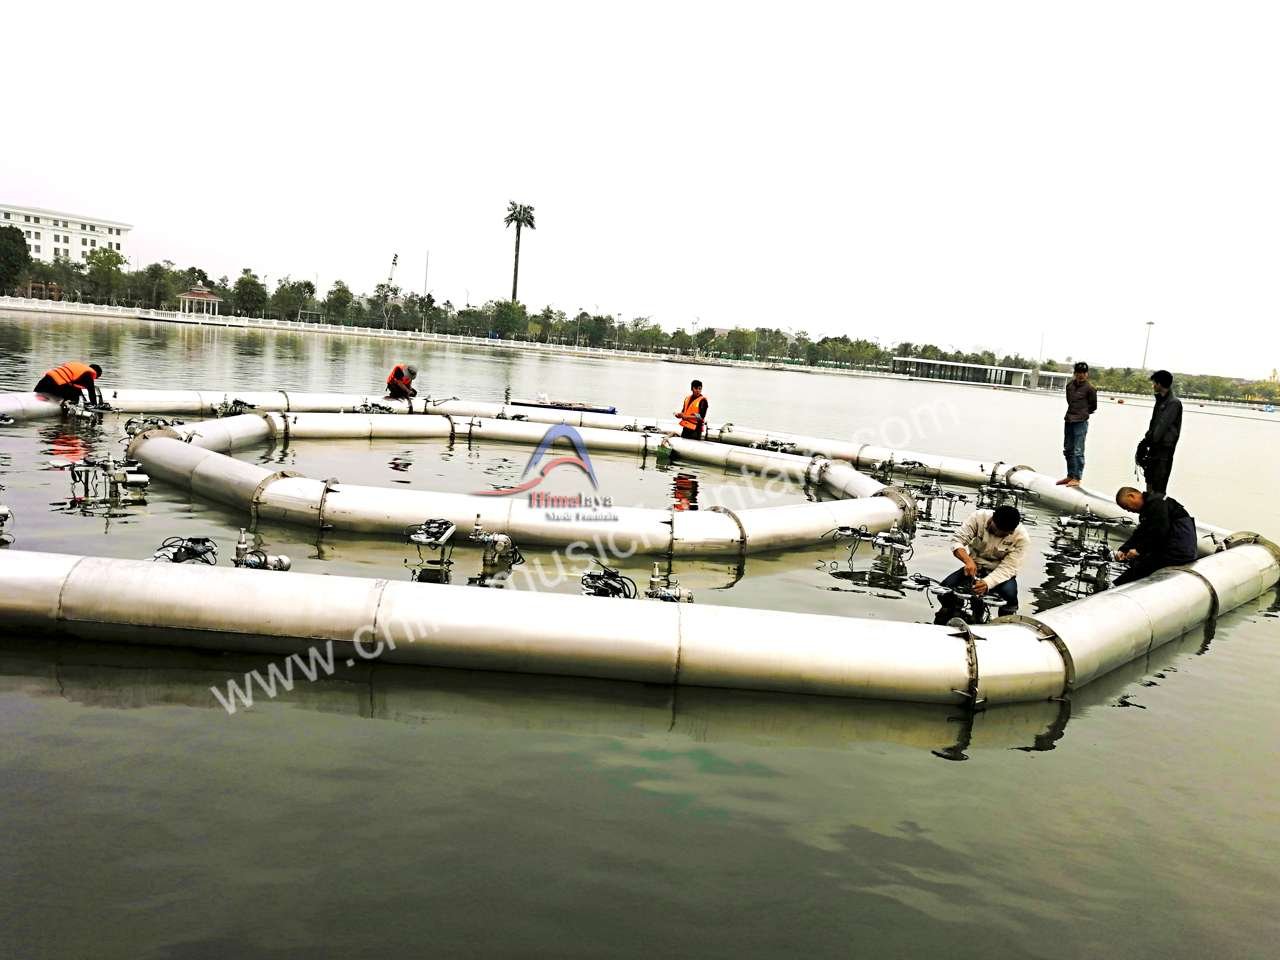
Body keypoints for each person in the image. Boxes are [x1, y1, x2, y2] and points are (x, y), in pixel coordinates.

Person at [933, 505, 1029, 625]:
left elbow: (1009, 567)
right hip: (974, 566)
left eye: (1004, 533)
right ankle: (953, 611)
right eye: (997, 530)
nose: (1000, 534)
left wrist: (987, 583)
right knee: (945, 589)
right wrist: (968, 561)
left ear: (1011, 531)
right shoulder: (978, 517)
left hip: (999, 573)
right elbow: (957, 541)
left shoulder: (1021, 537)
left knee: (1010, 595)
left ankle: (1006, 620)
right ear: (992, 519)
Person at [1112, 486, 1198, 586]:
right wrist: (1124, 549)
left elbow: (1159, 532)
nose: (1128, 511)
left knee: (1140, 569)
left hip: (1178, 552)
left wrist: (1139, 550)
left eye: (1127, 507)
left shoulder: (1157, 504)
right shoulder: (1150, 507)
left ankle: (1115, 586)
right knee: (1137, 564)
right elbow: (1140, 533)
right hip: (1172, 548)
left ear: (1132, 496)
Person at [1136, 370, 1182, 496]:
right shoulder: (1160, 401)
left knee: (1159, 481)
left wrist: (1147, 441)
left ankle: (1156, 506)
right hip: (1155, 447)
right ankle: (1149, 505)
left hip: (1164, 449)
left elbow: (1161, 427)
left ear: (1160, 384)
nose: (1153, 386)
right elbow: (1154, 425)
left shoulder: (1173, 403)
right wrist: (1145, 442)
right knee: (1150, 477)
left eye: (1154, 383)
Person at [1057, 361, 1097, 487]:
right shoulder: (1070, 386)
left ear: (1087, 374)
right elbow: (1070, 401)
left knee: (1078, 450)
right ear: (1075, 373)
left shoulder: (1090, 389)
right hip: (1069, 420)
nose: (1081, 375)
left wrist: (1083, 413)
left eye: (1084, 373)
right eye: (1079, 373)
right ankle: (1070, 475)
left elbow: (1093, 406)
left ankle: (1077, 478)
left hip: (1081, 422)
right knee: (1068, 449)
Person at [34, 362, 103, 405]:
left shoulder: (77, 366)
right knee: (75, 396)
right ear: (96, 373)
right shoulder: (88, 375)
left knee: (75, 390)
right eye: (96, 378)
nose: (94, 379)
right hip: (54, 386)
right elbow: (92, 393)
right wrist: (95, 406)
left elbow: (72, 385)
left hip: (42, 383)